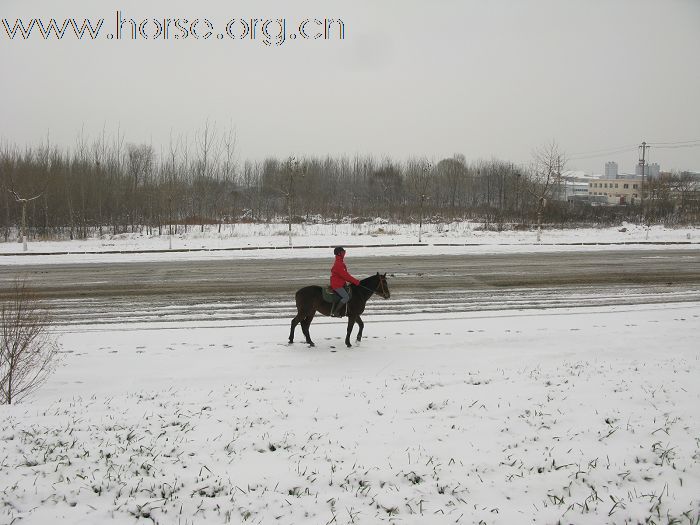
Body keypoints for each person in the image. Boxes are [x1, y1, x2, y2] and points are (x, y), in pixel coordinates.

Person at [329, 246, 360, 317]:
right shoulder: (339, 264)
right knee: (346, 297)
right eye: (343, 252)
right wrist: (356, 282)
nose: (344, 253)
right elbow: (346, 276)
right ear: (339, 254)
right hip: (337, 285)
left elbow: (345, 276)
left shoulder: (340, 262)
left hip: (341, 283)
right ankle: (335, 312)